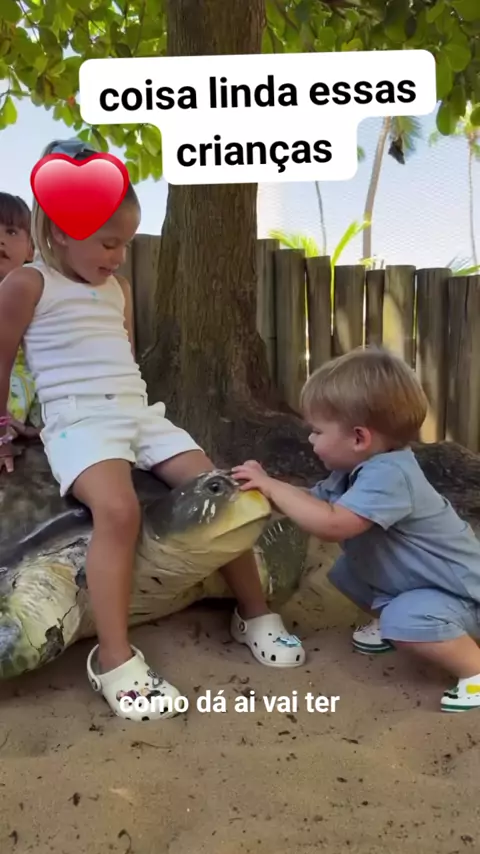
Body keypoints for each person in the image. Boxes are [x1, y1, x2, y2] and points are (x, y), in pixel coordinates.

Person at [0, 137, 305, 723]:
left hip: (138, 414)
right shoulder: (28, 284)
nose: (119, 256)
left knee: (223, 489)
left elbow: (124, 358)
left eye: (126, 243)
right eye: (108, 243)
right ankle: (114, 659)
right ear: (59, 231)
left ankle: (254, 612)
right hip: (80, 422)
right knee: (118, 513)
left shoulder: (115, 290)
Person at [232, 346, 480, 713]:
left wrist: (273, 488)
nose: (311, 440)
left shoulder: (390, 475)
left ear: (359, 438)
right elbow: (313, 502)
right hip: (421, 580)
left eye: (317, 431)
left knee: (404, 618)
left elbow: (332, 524)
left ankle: (473, 670)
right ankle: (403, 623)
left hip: (463, 594)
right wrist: (266, 488)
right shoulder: (355, 470)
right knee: (348, 572)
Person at [0, 191, 40, 473]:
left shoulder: (36, 292)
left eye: (11, 231)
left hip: (21, 376)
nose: (0, 239)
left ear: (30, 250)